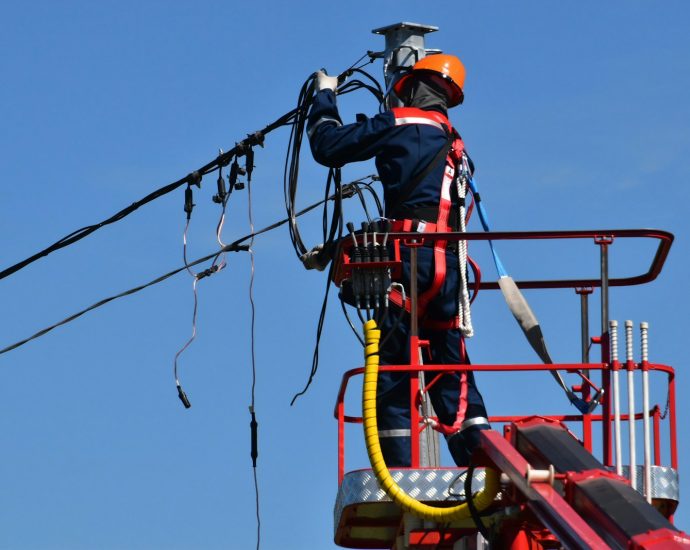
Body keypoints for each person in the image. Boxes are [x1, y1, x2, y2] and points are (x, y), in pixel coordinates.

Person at [306, 54, 489, 467]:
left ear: (407, 88)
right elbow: (427, 211)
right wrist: (337, 250)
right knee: (453, 370)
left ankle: (401, 472)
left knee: (394, 372)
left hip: (407, 265)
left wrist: (324, 96)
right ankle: (481, 459)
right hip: (447, 271)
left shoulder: (401, 124)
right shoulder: (456, 145)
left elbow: (327, 146)